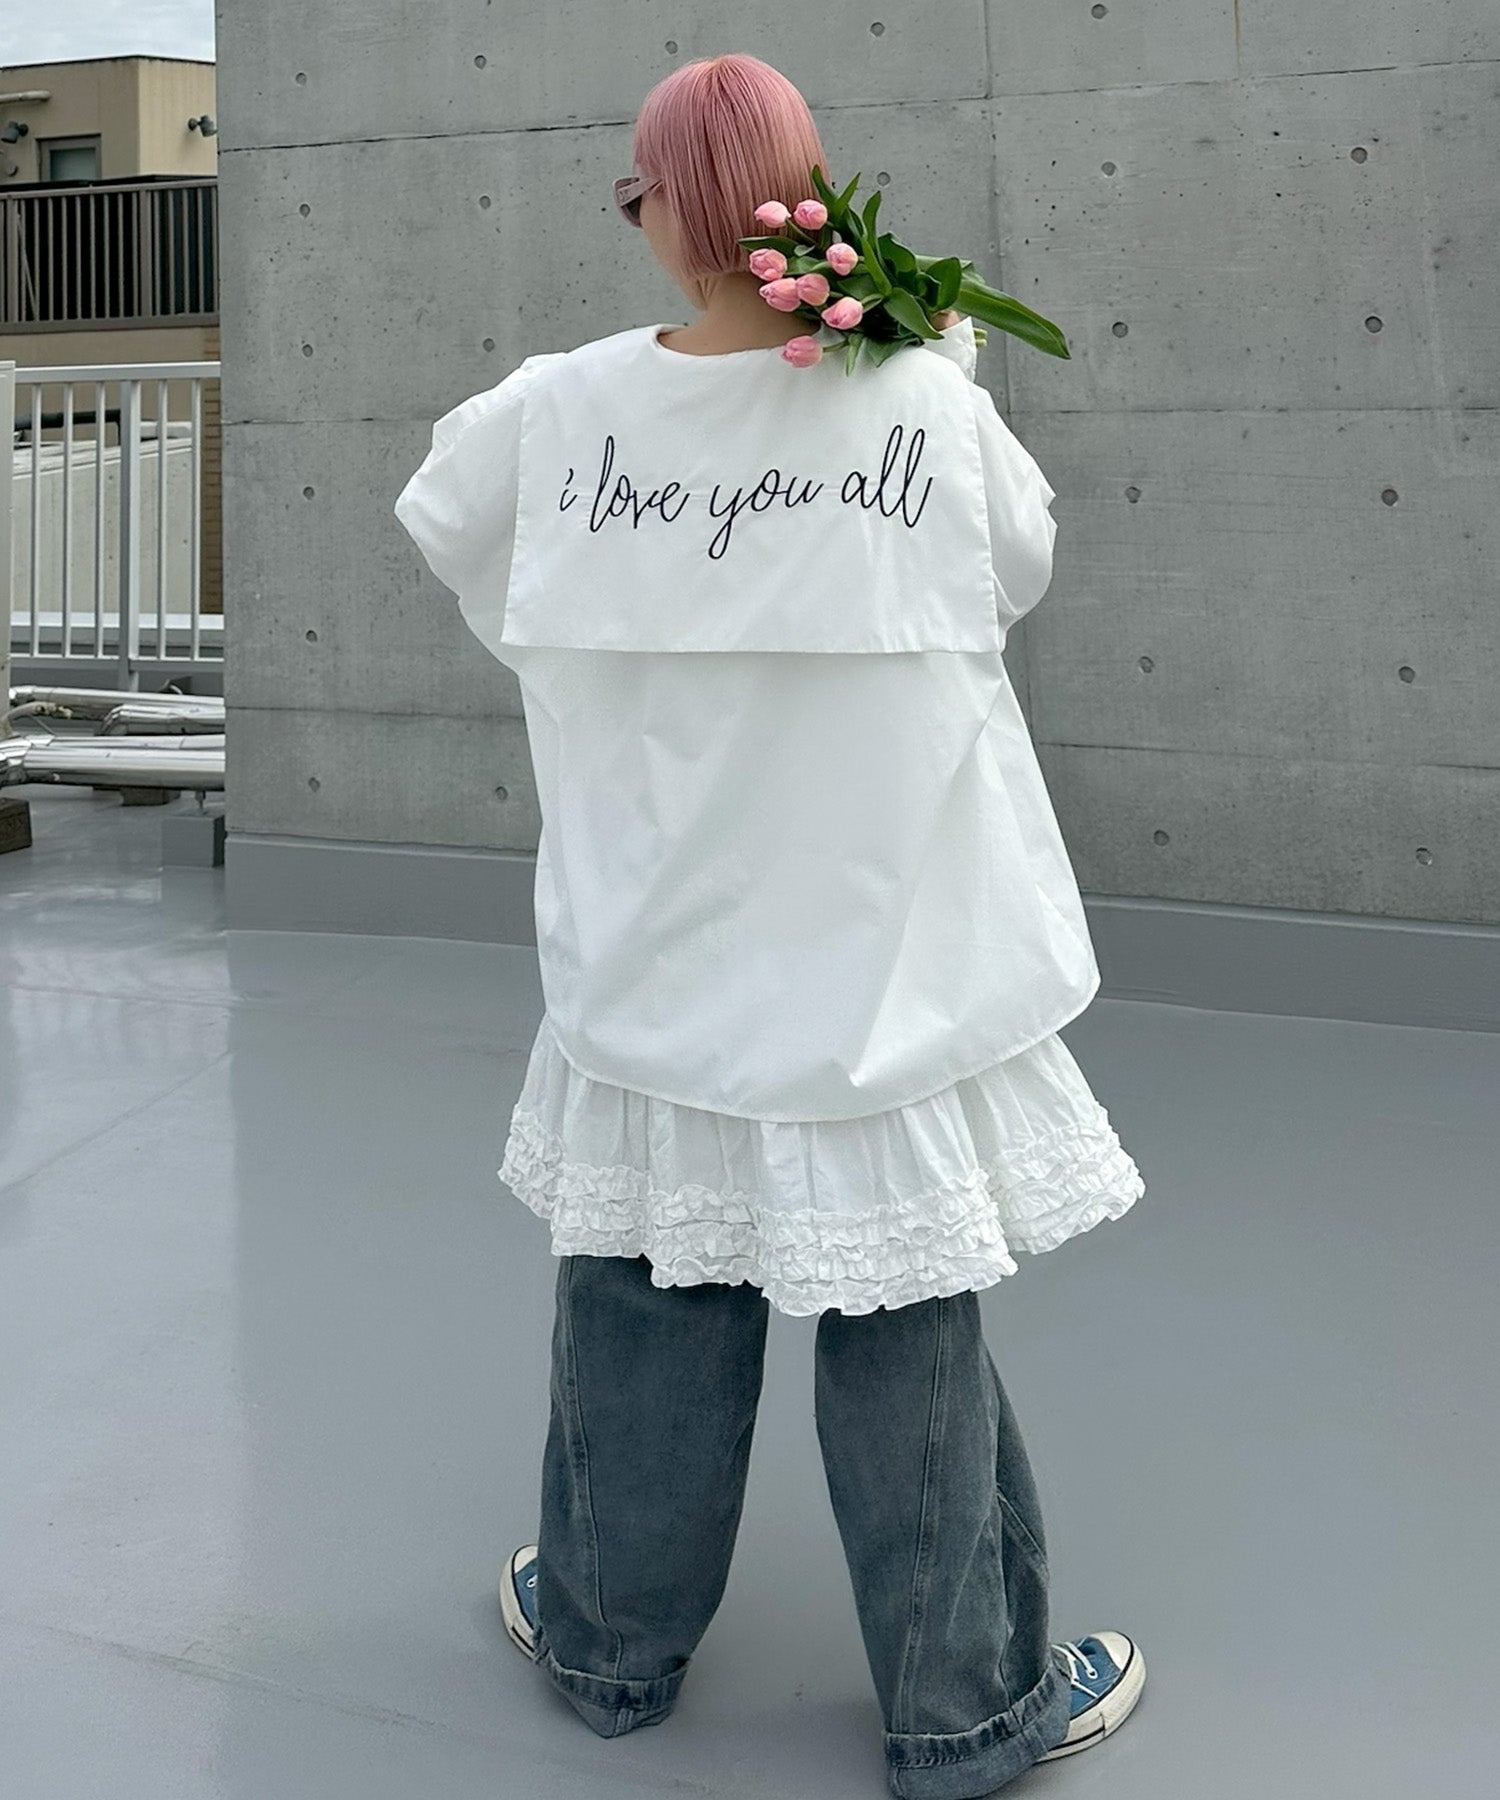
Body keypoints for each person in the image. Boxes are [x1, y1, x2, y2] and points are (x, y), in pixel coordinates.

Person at [394, 51, 1146, 1799]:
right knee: (908, 1327)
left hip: (657, 937)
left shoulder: (553, 414)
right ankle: (963, 1710)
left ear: (671, 209)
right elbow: (1017, 568)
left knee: (646, 1295)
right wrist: (917, 376)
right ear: (812, 204)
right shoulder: (925, 406)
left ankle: (608, 1645)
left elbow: (449, 534)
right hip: (882, 958)